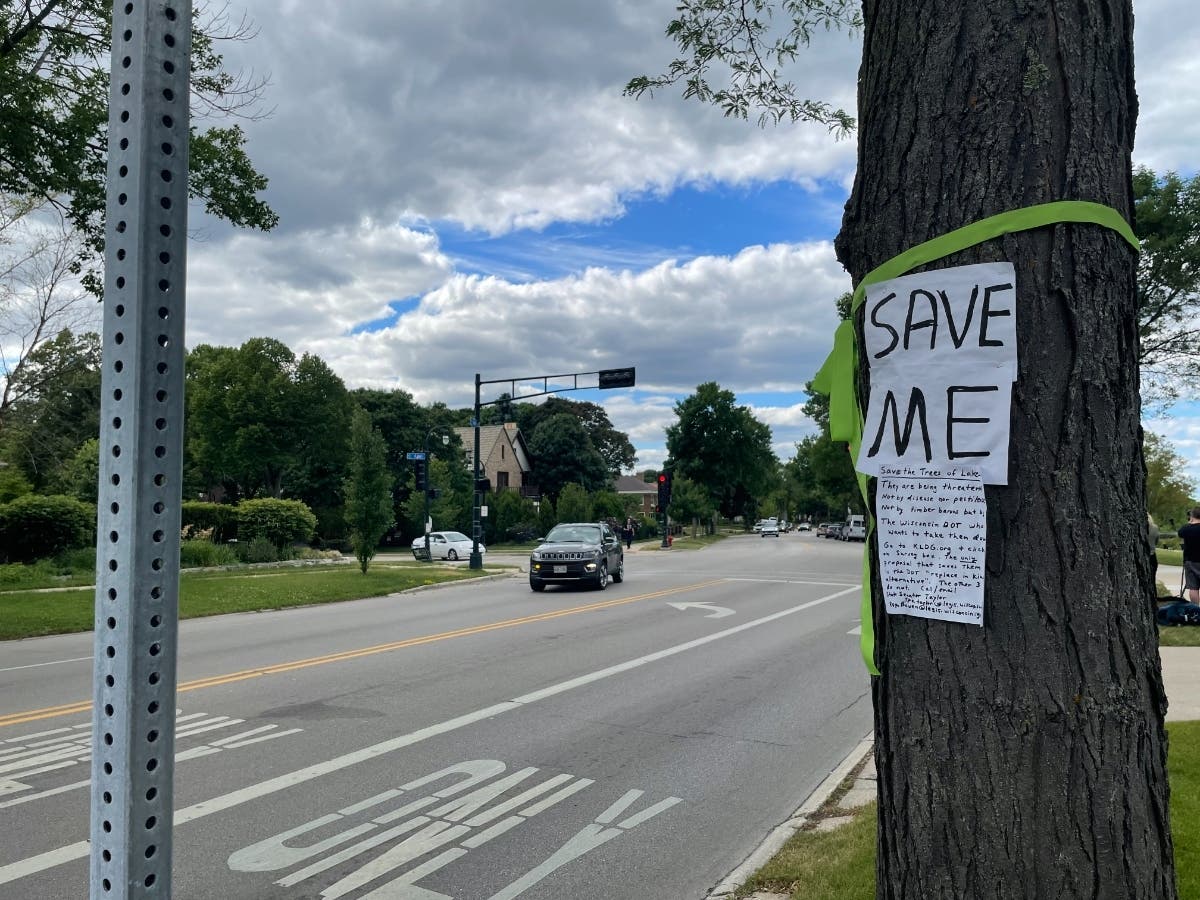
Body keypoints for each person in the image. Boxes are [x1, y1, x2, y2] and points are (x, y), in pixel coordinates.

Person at [1180, 507, 1200, 604]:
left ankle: (1196, 610)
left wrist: (1190, 522)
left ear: (1192, 516)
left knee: (1193, 587)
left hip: (1190, 561)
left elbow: (1180, 533)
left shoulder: (1186, 529)